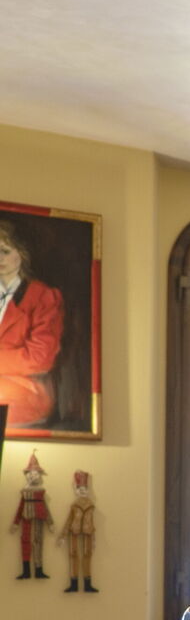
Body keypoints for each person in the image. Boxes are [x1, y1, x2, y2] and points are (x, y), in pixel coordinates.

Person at [0, 218, 64, 429]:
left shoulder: (43, 296)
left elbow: (39, 358)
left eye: (5, 251)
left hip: (24, 392)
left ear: (21, 253)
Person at [10, 452, 52, 580]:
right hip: (26, 516)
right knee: (25, 541)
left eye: (36, 474)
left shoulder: (40, 492)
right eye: (31, 474)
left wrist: (50, 522)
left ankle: (39, 570)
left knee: (38, 541)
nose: (34, 476)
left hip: (39, 516)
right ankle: (26, 571)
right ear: (28, 475)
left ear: (39, 476)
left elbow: (46, 507)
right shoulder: (25, 492)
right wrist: (16, 522)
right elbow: (20, 507)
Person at [60, 469, 96, 593]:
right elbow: (69, 520)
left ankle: (87, 583)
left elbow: (92, 521)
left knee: (87, 555)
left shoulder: (91, 506)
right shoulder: (74, 506)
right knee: (73, 554)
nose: (82, 491)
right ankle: (74, 584)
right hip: (74, 530)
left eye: (84, 489)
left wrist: (94, 538)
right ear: (76, 490)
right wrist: (63, 535)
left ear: (88, 490)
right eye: (80, 489)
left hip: (88, 531)